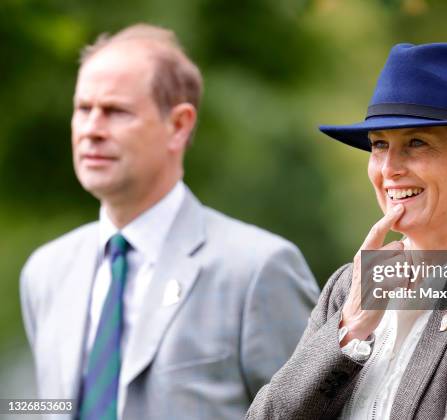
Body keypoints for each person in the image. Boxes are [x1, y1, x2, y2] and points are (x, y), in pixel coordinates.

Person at [247, 42, 447, 419]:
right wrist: (349, 330)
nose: (389, 168)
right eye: (379, 145)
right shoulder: (347, 287)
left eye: (416, 143)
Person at [19, 24, 319, 420]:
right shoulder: (45, 272)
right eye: (83, 109)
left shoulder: (258, 269)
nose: (92, 129)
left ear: (178, 125)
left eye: (115, 111)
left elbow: (311, 411)